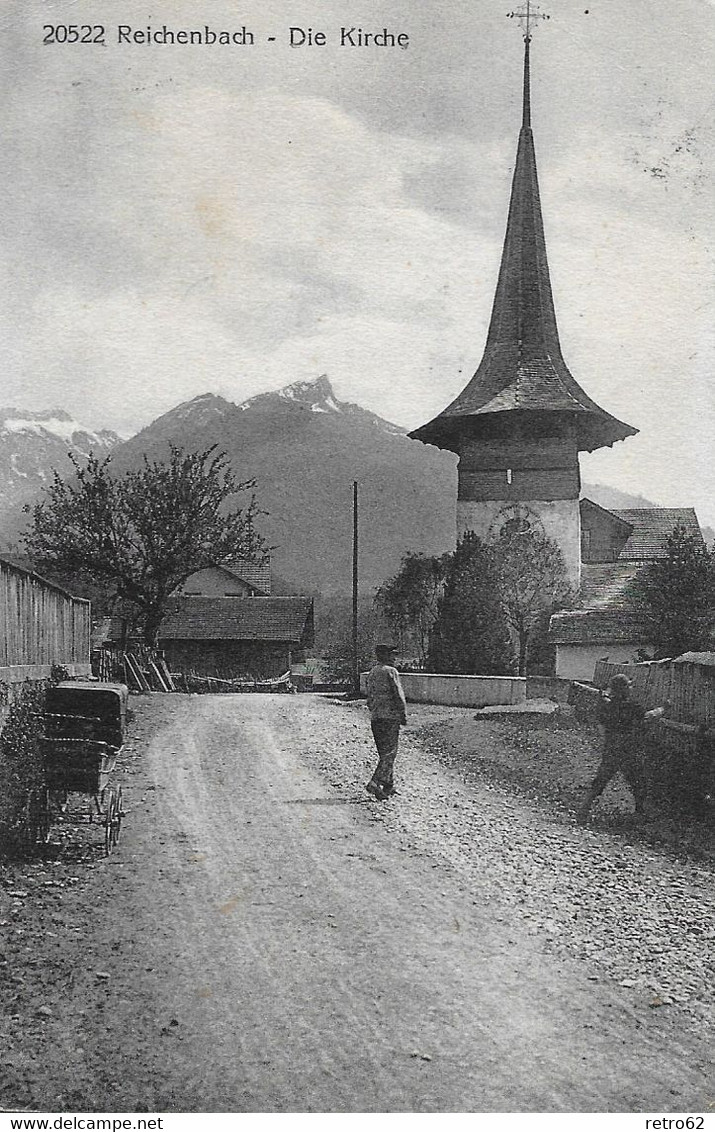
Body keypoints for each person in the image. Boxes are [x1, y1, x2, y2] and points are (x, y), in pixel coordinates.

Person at [577, 673, 665, 824]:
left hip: (611, 747)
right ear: (624, 689)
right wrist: (664, 708)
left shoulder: (607, 706)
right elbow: (648, 717)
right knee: (638, 781)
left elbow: (601, 725)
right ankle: (640, 813)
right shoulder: (633, 707)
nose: (631, 688)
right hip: (628, 748)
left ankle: (583, 811)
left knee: (601, 780)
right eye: (629, 685)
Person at [365, 643, 407, 800]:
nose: (394, 658)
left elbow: (368, 697)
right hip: (390, 717)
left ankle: (389, 785)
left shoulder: (372, 672)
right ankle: (375, 782)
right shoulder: (391, 672)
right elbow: (398, 694)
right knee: (390, 753)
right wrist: (403, 714)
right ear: (385, 656)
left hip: (376, 718)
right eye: (392, 655)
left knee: (384, 752)